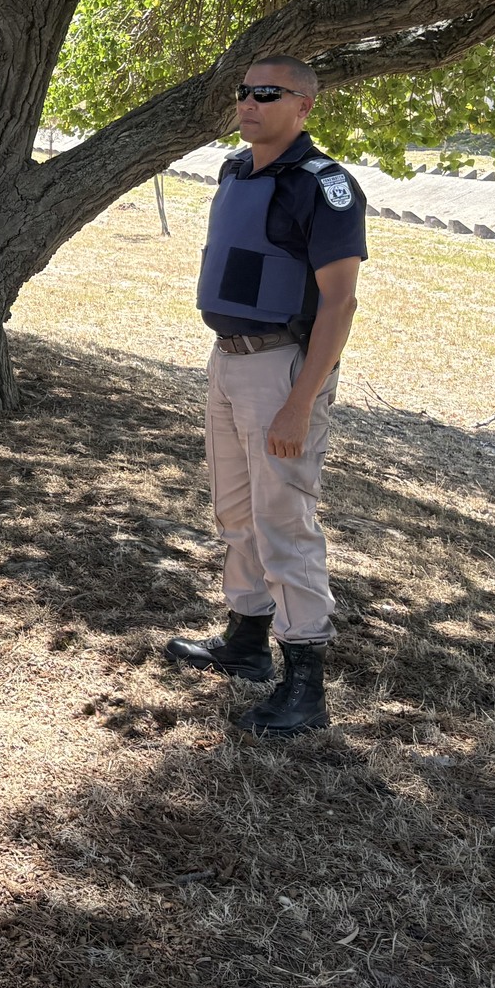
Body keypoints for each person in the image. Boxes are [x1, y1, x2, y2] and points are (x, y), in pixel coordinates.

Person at [165, 56, 366, 738]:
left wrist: (300, 401)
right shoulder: (233, 172)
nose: (248, 104)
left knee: (285, 518)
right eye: (243, 92)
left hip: (283, 367)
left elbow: (340, 304)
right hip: (228, 359)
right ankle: (245, 641)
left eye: (266, 94)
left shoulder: (324, 186)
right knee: (235, 509)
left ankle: (304, 684)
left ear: (304, 106)